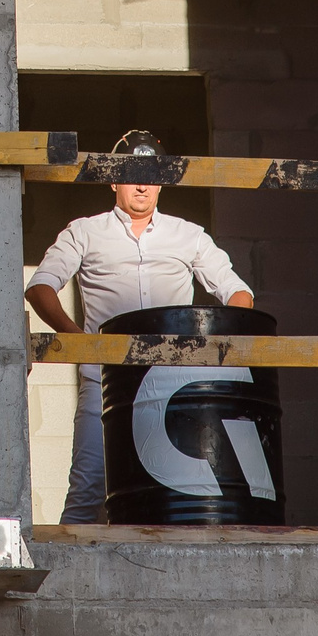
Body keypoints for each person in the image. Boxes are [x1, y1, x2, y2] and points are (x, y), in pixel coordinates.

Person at [25, 130, 253, 523]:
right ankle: (68, 585)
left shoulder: (188, 235)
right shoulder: (85, 231)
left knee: (177, 497)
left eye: (152, 174)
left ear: (162, 181)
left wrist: (209, 351)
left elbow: (239, 294)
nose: (143, 184)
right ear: (114, 179)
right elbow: (40, 288)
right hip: (106, 382)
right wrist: (79, 342)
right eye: (133, 173)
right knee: (88, 490)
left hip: (173, 384)